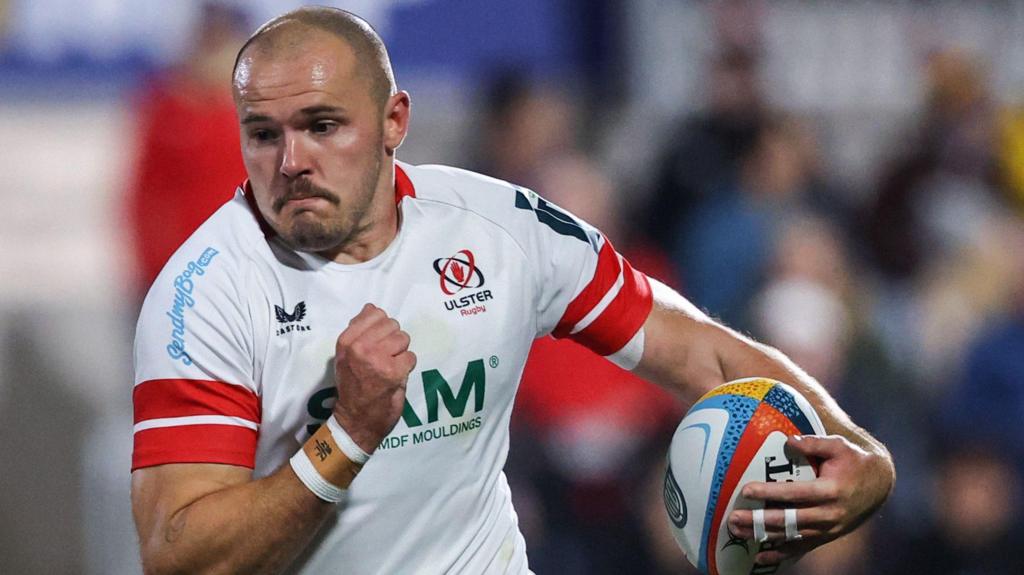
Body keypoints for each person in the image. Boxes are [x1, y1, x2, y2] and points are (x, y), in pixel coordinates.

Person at [129, 7, 895, 574]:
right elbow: (183, 556)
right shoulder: (204, 294)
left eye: (323, 125)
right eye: (263, 133)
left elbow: (699, 351)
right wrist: (347, 437)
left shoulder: (496, 229)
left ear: (395, 120)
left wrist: (859, 452)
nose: (290, 160)